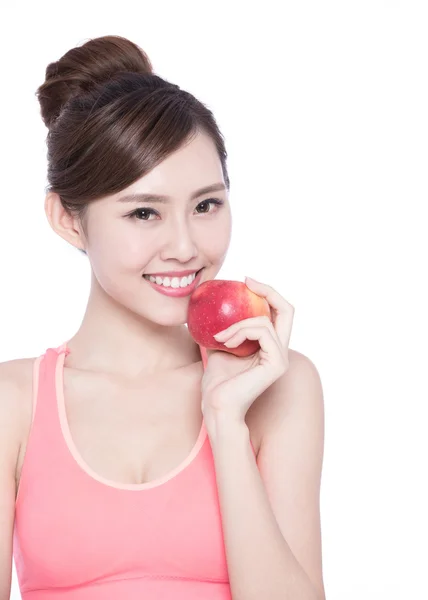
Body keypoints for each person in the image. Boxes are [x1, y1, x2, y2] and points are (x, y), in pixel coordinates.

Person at [0, 35, 326, 600]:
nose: (185, 247)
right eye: (145, 212)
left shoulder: (280, 386)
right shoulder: (13, 404)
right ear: (67, 220)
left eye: (206, 205)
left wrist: (226, 422)